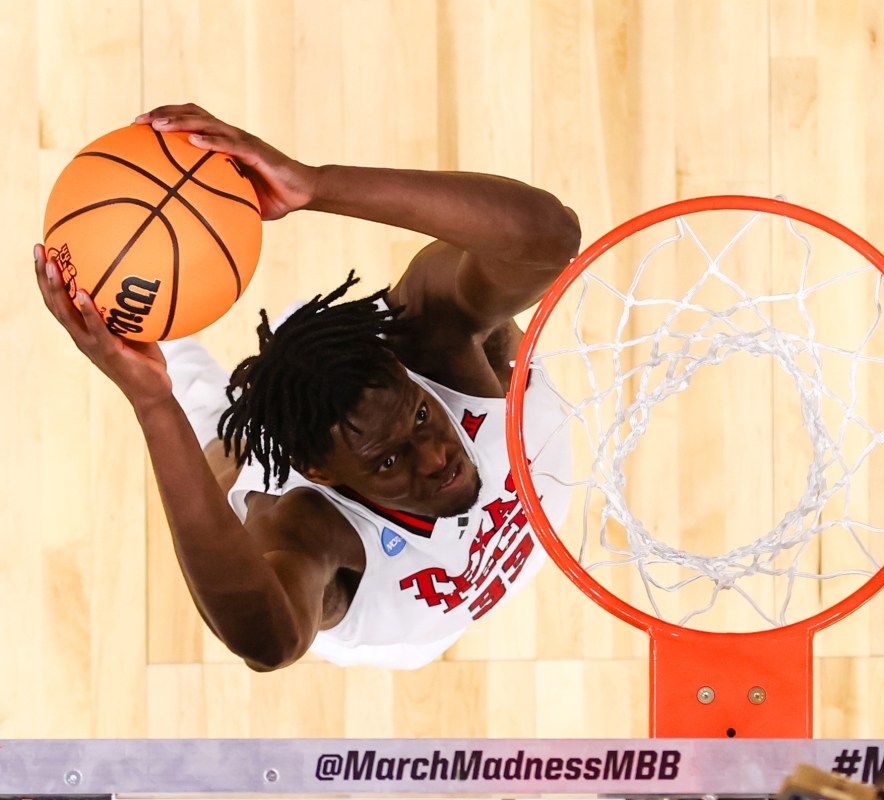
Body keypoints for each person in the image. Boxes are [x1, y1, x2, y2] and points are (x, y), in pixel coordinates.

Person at [34, 102, 579, 671]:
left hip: (478, 518)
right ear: (320, 472)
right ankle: (145, 331)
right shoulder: (307, 527)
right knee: (205, 428)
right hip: (409, 624)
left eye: (420, 418)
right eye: (390, 461)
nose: (438, 457)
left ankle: (157, 327)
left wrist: (315, 186)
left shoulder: (434, 340)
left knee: (213, 408)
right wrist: (150, 402)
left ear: (399, 370)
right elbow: (268, 642)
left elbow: (548, 235)